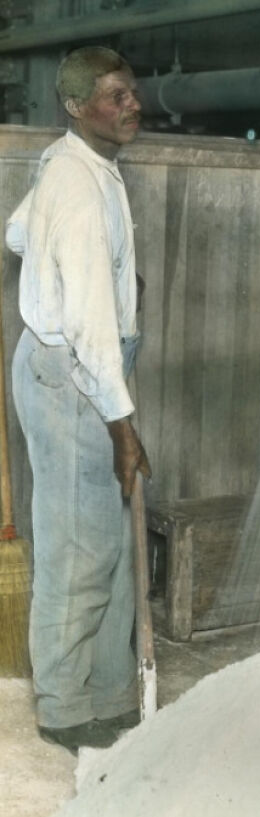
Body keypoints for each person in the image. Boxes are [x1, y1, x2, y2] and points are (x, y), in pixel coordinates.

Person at [5, 46, 151, 753]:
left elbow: (14, 230)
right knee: (76, 547)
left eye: (131, 92)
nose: (132, 104)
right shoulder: (75, 182)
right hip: (73, 374)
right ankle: (64, 707)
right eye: (115, 96)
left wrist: (117, 280)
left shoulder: (83, 161)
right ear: (74, 106)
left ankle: (111, 693)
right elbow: (90, 327)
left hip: (92, 360)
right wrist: (124, 428)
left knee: (112, 548)